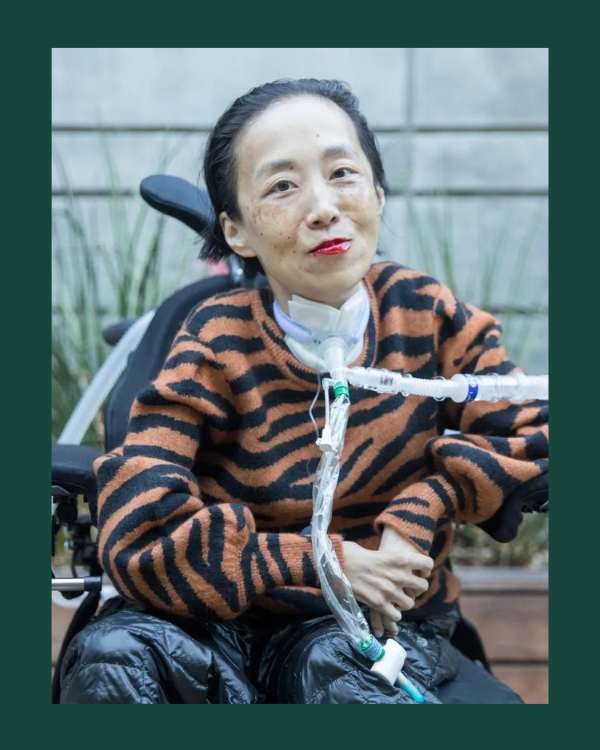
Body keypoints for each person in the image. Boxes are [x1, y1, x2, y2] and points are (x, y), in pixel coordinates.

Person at [60, 79, 548, 704]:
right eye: (282, 186)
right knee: (116, 657)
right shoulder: (212, 342)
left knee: (339, 667)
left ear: (377, 190)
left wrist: (422, 508)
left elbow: (534, 432)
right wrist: (328, 562)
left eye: (342, 172)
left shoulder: (426, 315)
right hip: (219, 623)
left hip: (375, 628)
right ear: (235, 230)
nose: (322, 207)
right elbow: (137, 533)